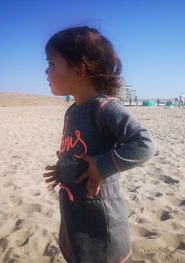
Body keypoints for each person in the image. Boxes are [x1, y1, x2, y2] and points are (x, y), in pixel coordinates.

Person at [42, 26, 156, 263]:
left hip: (101, 221)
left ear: (79, 71)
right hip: (75, 215)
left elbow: (145, 144)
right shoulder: (73, 111)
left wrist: (102, 166)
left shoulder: (105, 108)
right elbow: (81, 150)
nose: (46, 70)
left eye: (52, 63)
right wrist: (64, 167)